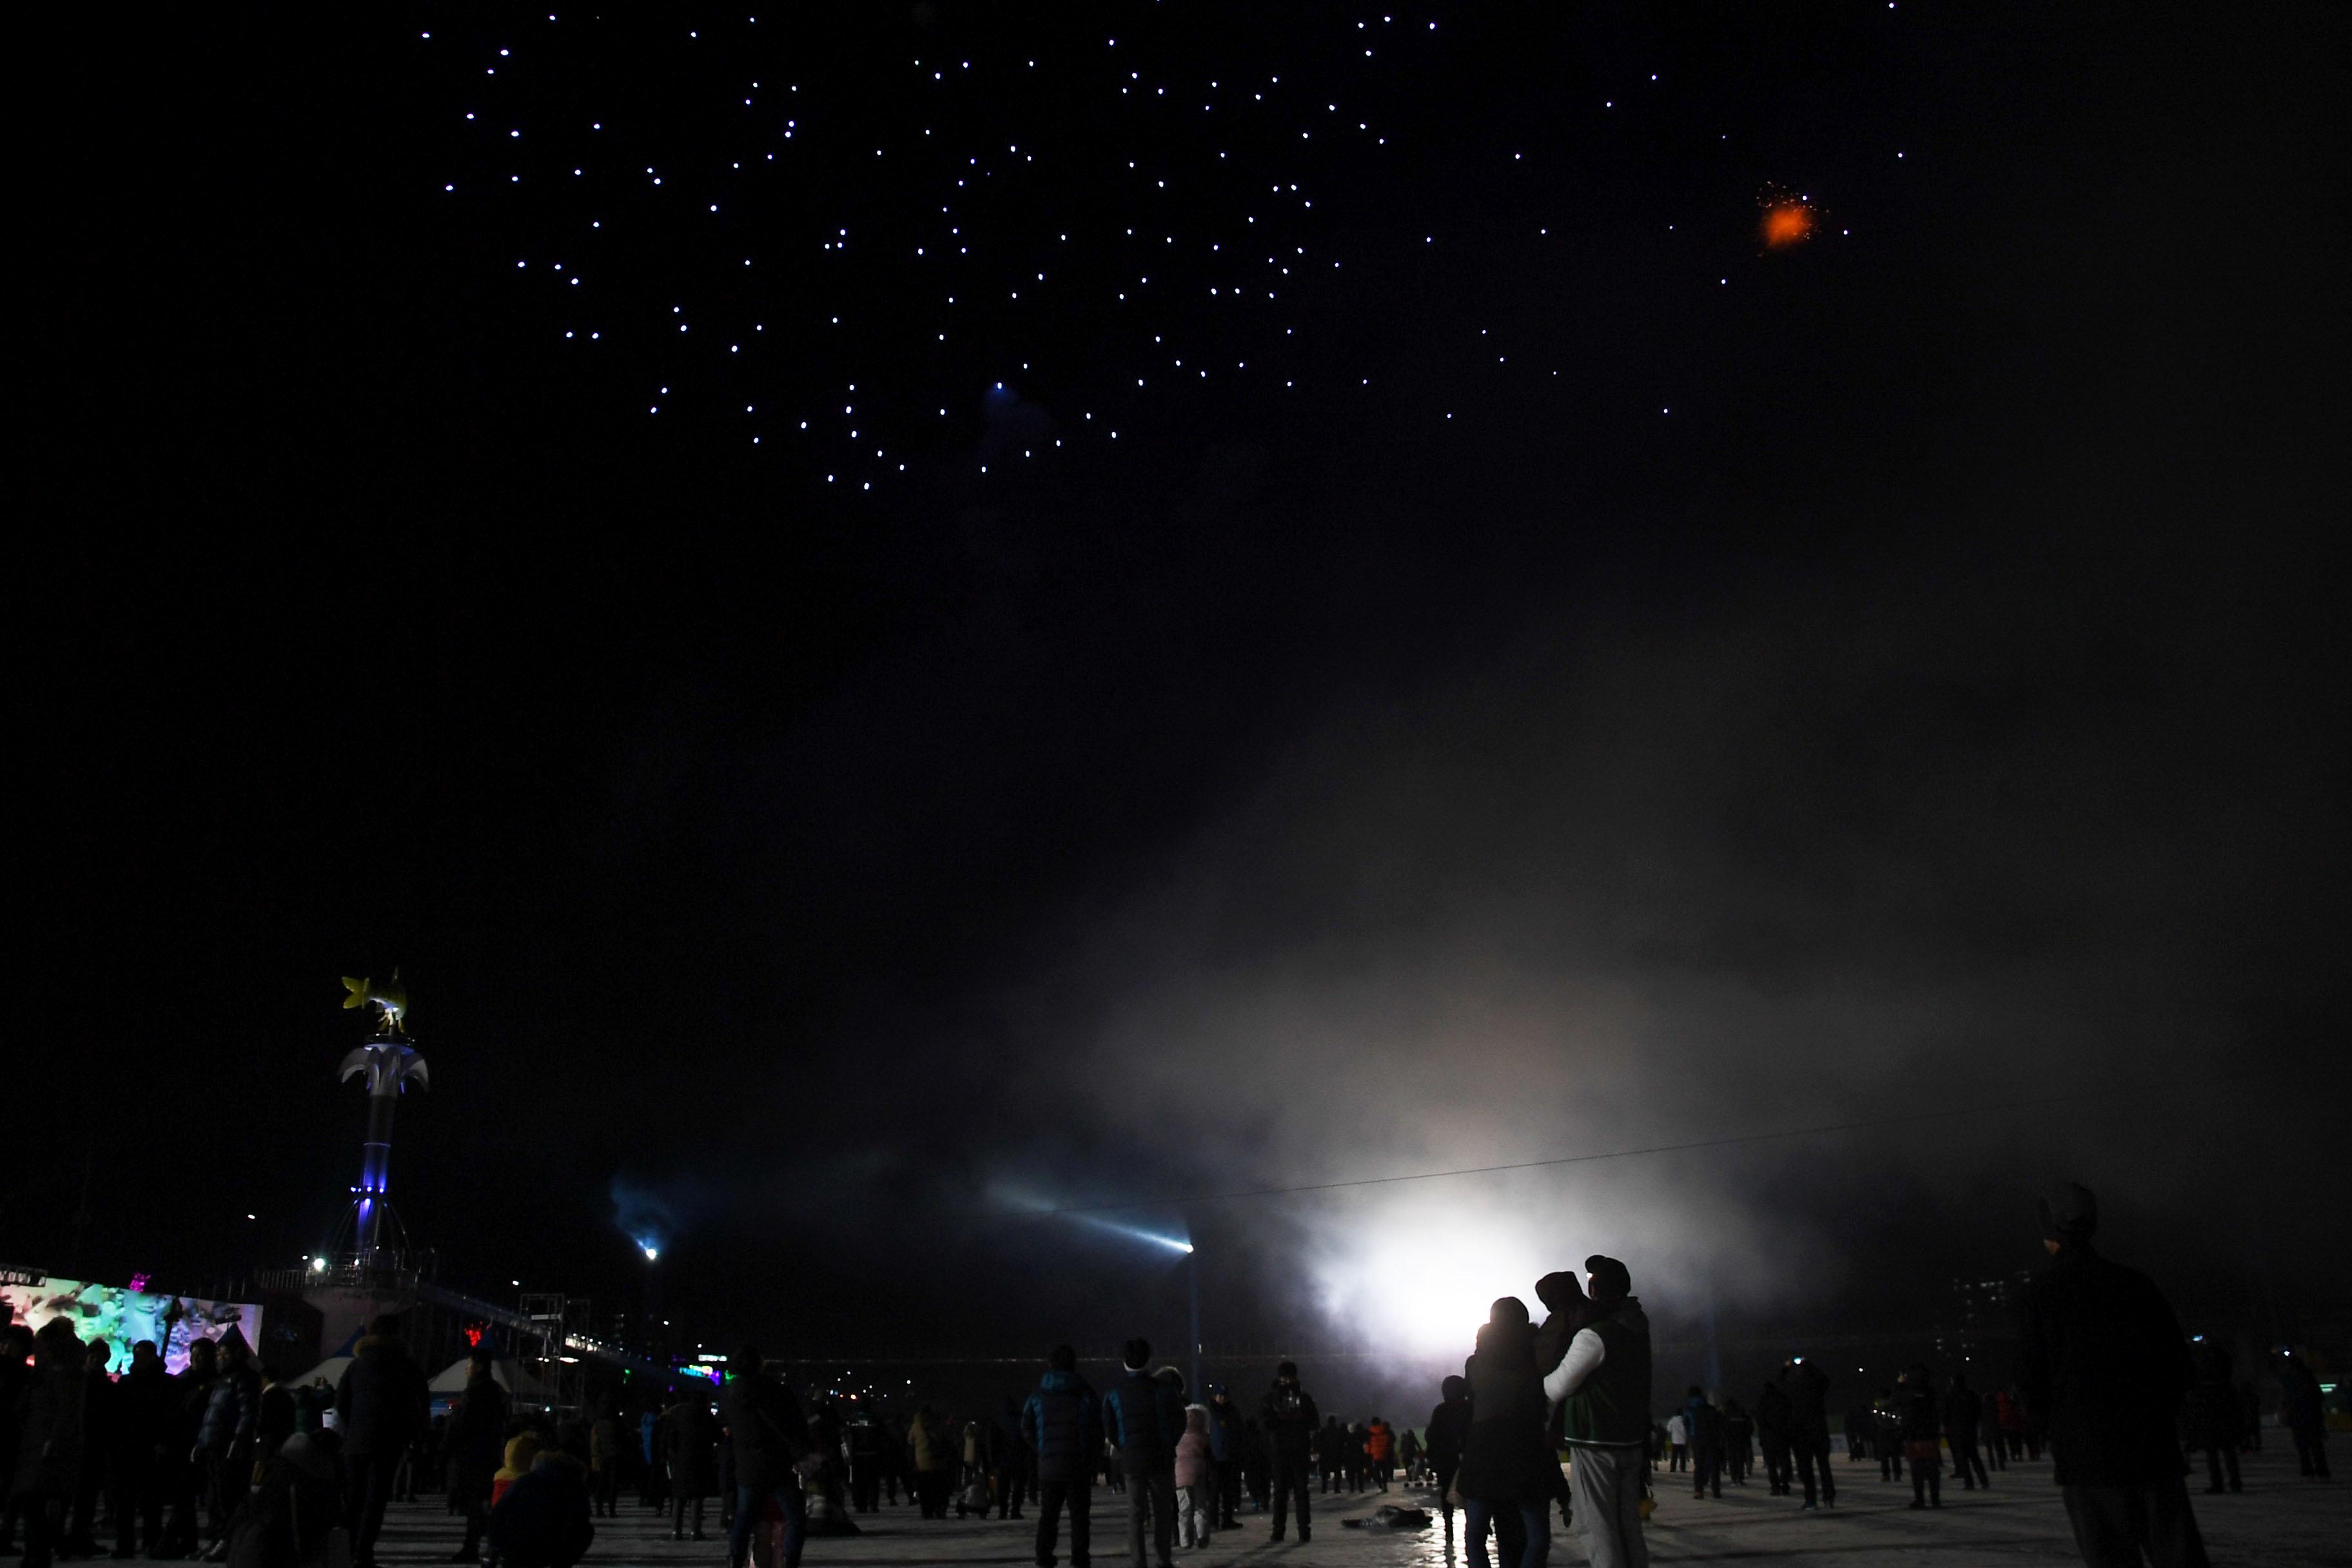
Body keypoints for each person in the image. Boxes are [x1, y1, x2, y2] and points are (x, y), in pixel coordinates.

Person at [2016, 1181, 2210, 1568]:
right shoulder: (2135, 1283)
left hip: (2088, 1453)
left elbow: (2033, 1376)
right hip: (2152, 1447)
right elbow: (2178, 1365)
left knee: (2109, 1555)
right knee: (2177, 1553)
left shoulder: (2043, 1293)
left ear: (2049, 1233)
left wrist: (2046, 1422)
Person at [1458, 1297, 1551, 1568]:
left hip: (1483, 1449)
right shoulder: (1536, 1356)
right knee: (1534, 1534)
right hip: (1528, 1445)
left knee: (1476, 1534)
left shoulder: (1476, 1362)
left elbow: (1472, 1399)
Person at [337, 1316, 429, 1568]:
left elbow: (341, 1403)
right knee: (375, 1500)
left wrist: (354, 1427)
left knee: (354, 1498)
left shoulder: (356, 1365)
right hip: (388, 1442)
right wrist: (414, 1434)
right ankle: (364, 1552)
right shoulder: (406, 1366)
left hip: (356, 1441)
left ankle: (350, 1548)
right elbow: (420, 1403)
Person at [718, 1346, 810, 1568]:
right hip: (778, 1463)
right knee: (795, 1517)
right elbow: (797, 1424)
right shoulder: (778, 1392)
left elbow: (726, 1428)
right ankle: (790, 1560)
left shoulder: (729, 1395)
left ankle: (735, 1558)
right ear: (760, 1365)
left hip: (747, 1465)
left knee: (743, 1517)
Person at [13, 1320, 89, 1568]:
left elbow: (65, 1412)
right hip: (39, 1444)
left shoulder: (63, 1373)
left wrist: (52, 1442)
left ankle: (38, 1556)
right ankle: (35, 1555)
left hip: (45, 1450)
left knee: (36, 1506)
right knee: (33, 1506)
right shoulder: (52, 1372)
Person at [1100, 1340, 1182, 1568]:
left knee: (1135, 1514)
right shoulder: (1165, 1390)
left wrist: (1124, 1447)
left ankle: (1139, 1562)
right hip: (1160, 1459)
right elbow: (1179, 1420)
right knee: (1162, 1513)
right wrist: (1168, 1444)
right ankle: (1163, 1560)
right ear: (1149, 1361)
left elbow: (1109, 1426)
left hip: (1132, 1461)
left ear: (1124, 1362)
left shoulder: (1113, 1394)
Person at [1022, 1344, 1100, 1568]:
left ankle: (1044, 1555)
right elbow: (1096, 1427)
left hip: (1050, 1465)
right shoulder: (1086, 1394)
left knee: (1049, 1515)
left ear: (1050, 1365)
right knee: (1080, 1516)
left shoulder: (1038, 1396)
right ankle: (1080, 1556)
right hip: (1078, 1465)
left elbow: (1026, 1426)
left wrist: (1042, 1447)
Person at [443, 1349, 509, 1562]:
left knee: (475, 1504)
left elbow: (461, 1425)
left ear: (478, 1366)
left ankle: (476, 1546)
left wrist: (447, 1448)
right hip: (490, 1454)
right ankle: (485, 1545)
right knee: (482, 1503)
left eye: (468, 1365)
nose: (466, 1369)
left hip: (472, 1456)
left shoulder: (473, 1392)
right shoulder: (497, 1391)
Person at [112, 1340, 175, 1558]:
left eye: (144, 1355)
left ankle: (152, 1541)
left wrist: (162, 1441)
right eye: (137, 1354)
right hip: (128, 1447)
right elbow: (118, 1415)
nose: (140, 1359)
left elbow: (168, 1416)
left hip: (151, 1448)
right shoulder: (127, 1382)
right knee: (126, 1502)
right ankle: (125, 1544)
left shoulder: (164, 1384)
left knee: (152, 1501)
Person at [487, 1446, 594, 1568]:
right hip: (548, 1547)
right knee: (585, 1529)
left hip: (513, 1546)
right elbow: (582, 1519)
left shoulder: (524, 1481)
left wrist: (493, 1549)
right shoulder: (574, 1487)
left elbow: (500, 1512)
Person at [1258, 1363, 1317, 1544]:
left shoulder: (1305, 1398)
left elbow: (1314, 1423)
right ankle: (1279, 1530)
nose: (1287, 1381)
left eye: (1290, 1378)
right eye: (1284, 1378)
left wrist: (1300, 1419)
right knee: (1280, 1492)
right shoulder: (1270, 1399)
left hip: (1299, 1450)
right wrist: (1280, 1420)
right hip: (1280, 1451)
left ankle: (1304, 1530)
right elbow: (1264, 1423)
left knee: (1301, 1492)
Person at [662, 1394, 720, 1540]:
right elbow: (718, 1436)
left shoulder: (678, 1416)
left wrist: (674, 1457)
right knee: (697, 1497)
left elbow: (671, 1440)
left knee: (679, 1497)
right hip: (701, 1459)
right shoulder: (706, 1416)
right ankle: (695, 1531)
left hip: (682, 1459)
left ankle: (676, 1531)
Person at [1783, 1358, 1836, 1511]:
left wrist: (1786, 1368)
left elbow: (1780, 1384)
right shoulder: (1816, 1390)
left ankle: (1811, 1499)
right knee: (1824, 1467)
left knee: (1805, 1469)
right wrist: (1809, 1365)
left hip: (1801, 1433)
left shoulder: (1793, 1391)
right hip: (1818, 1430)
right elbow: (1825, 1380)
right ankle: (1828, 1498)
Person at [1426, 1375, 1471, 1535]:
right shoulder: (1470, 1408)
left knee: (1446, 1494)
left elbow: (1432, 1436)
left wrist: (1431, 1459)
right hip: (1469, 1459)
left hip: (1446, 1460)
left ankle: (1449, 1528)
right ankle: (1472, 1528)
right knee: (1471, 1496)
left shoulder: (1441, 1411)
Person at [2277, 1351, 2329, 1480]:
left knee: (2302, 1446)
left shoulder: (2289, 1380)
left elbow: (2286, 1399)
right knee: (2316, 1445)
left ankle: (2308, 1470)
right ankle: (2322, 1470)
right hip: (2312, 1415)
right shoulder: (2309, 1378)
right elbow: (2319, 1397)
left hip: (2298, 1416)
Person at [1173, 1404, 1213, 1549]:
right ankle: (1202, 1536)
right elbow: (1209, 1455)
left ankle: (1185, 1541)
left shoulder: (1178, 1437)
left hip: (1181, 1477)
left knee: (1184, 1510)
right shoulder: (1203, 1438)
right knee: (1200, 1507)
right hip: (1199, 1475)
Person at [1944, 1371, 1990, 1491]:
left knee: (1963, 1459)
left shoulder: (1951, 1396)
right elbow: (1978, 1411)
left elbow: (1945, 1413)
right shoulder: (1971, 1394)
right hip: (1970, 1429)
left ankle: (1969, 1483)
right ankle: (1983, 1481)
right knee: (1975, 1457)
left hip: (1957, 1430)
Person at [1204, 1387, 1242, 1529]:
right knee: (1214, 1491)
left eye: (1225, 1396)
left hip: (1230, 1457)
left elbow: (1239, 1432)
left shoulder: (1232, 1412)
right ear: (1215, 1396)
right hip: (1215, 1458)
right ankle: (1213, 1520)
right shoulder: (1210, 1413)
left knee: (1228, 1491)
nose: (1222, 1399)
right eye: (1220, 1396)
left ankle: (1227, 1519)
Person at [1752, 1373, 1792, 1496]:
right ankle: (1785, 1484)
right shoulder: (1783, 1399)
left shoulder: (1762, 1401)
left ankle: (1775, 1487)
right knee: (1785, 1461)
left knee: (1771, 1464)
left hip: (1768, 1436)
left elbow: (1759, 1419)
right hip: (1782, 1435)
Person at [1682, 1388, 1722, 1500]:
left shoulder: (1689, 1409)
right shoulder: (1711, 1408)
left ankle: (1698, 1491)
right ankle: (1716, 1490)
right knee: (1714, 1465)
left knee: (1698, 1465)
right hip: (1711, 1440)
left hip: (1696, 1439)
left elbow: (1686, 1424)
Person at [1720, 1400, 1753, 1487]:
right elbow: (1750, 1427)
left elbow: (1722, 1428)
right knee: (1741, 1460)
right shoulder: (1743, 1415)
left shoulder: (1725, 1416)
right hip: (1742, 1440)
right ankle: (1740, 1478)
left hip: (1730, 1441)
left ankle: (1734, 1479)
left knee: (1732, 1461)